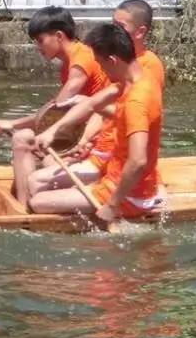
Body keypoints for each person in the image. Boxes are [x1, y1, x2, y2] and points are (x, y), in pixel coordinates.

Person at [31, 23, 165, 222]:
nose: (101, 70)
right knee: (37, 185)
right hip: (112, 178)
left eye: (101, 64)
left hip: (130, 196)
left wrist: (112, 205)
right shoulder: (137, 79)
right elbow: (91, 104)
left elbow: (138, 162)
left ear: (112, 60)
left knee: (37, 201)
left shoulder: (137, 100)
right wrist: (54, 130)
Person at [0, 6, 113, 202]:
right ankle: (25, 208)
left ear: (59, 36)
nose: (38, 47)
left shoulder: (80, 60)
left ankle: (26, 213)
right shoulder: (69, 63)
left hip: (94, 141)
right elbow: (54, 115)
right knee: (24, 139)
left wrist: (13, 124)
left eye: (40, 41)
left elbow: (52, 115)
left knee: (24, 140)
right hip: (79, 134)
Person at [113, 0, 164, 89]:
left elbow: (142, 101)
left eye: (120, 26)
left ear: (140, 32)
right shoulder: (110, 56)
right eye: (113, 24)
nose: (112, 30)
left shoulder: (150, 64)